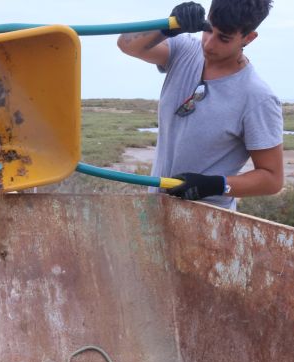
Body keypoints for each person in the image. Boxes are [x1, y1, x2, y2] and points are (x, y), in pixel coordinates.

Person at [117, 0, 283, 209]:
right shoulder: (185, 50)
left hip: (207, 223)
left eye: (224, 38)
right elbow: (126, 44)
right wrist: (167, 26)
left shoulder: (258, 98)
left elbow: (272, 179)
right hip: (156, 211)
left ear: (249, 38)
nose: (209, 44)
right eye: (208, 30)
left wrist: (214, 185)